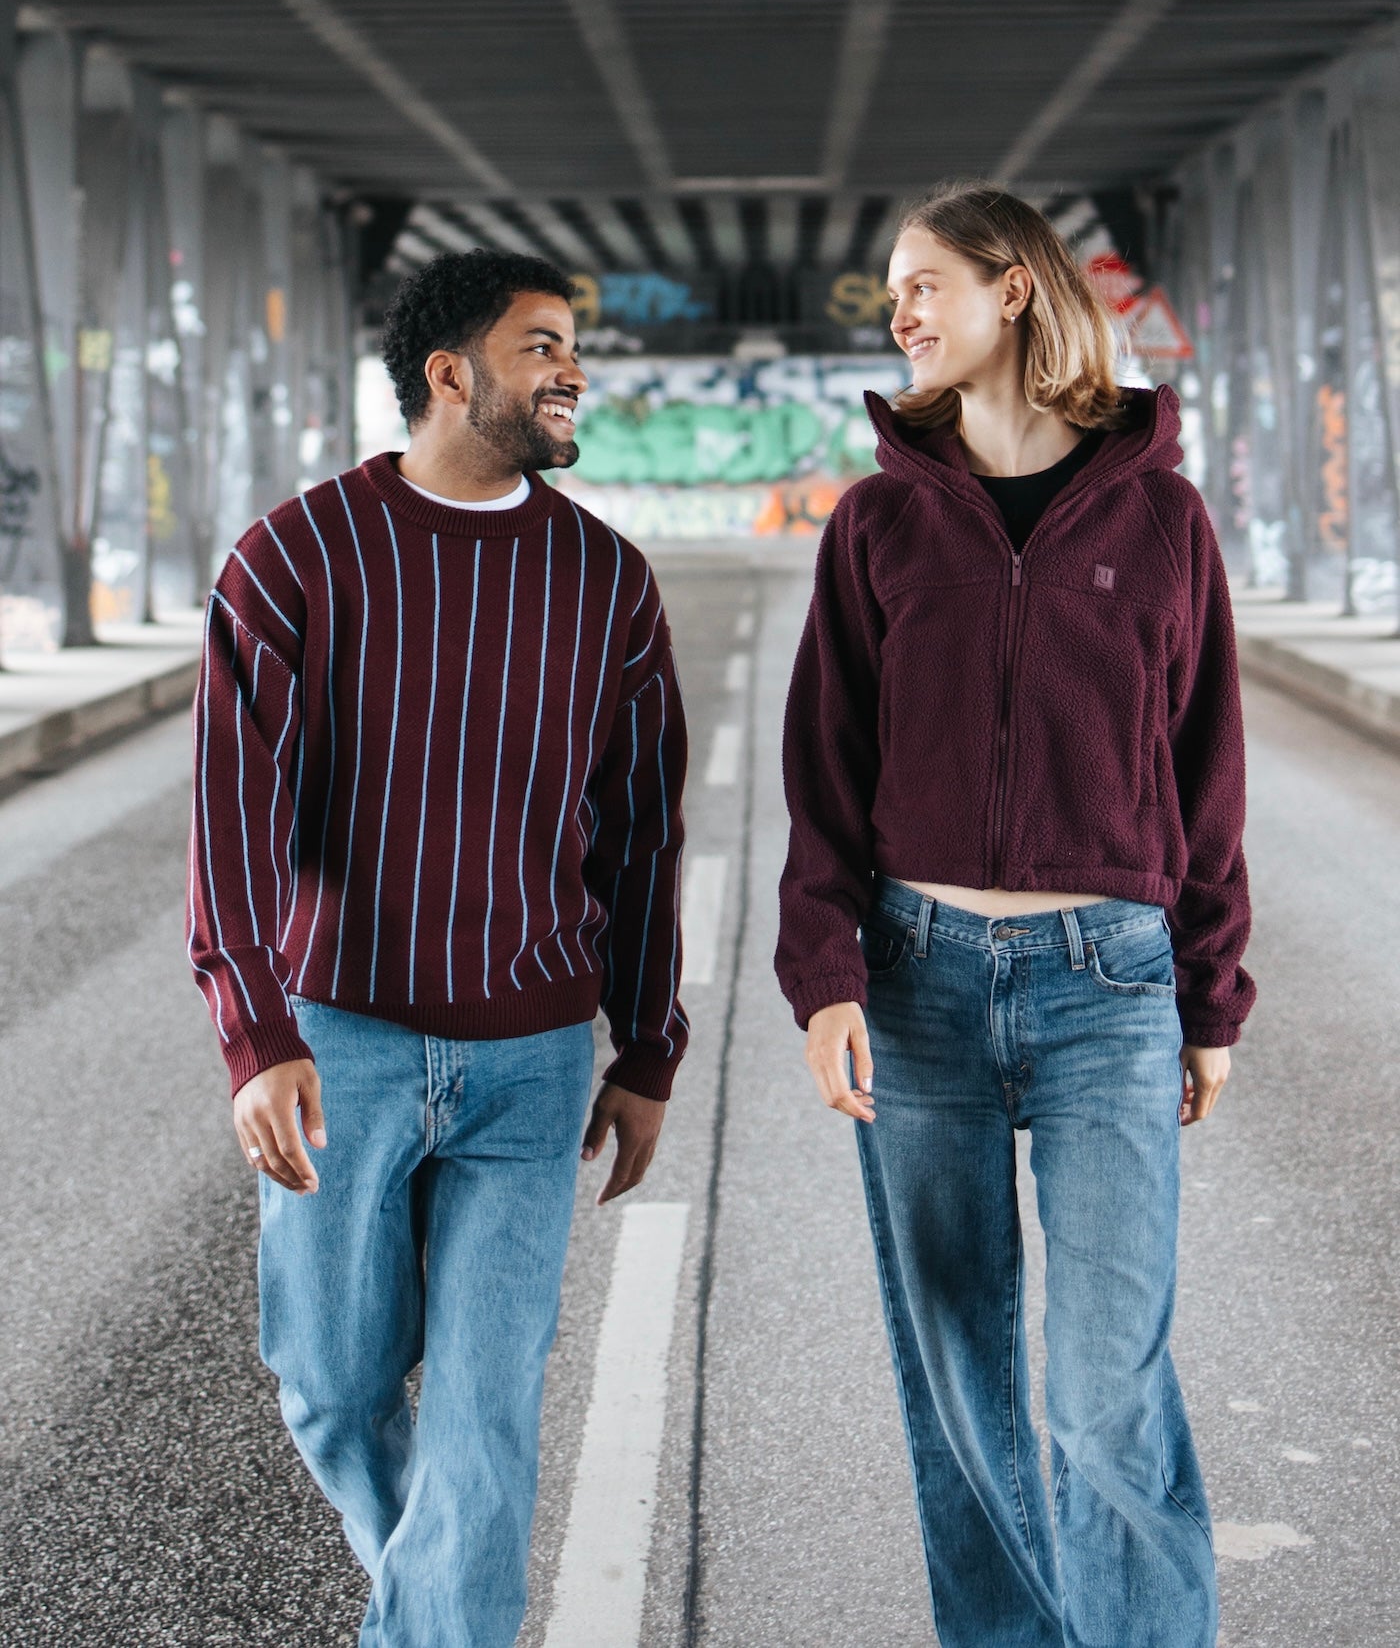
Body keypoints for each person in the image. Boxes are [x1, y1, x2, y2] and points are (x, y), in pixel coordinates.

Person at [188, 249, 687, 1647]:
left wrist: (648, 1045)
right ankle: (440, 1594)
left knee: (485, 1420)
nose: (572, 370)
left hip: (531, 1059)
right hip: (338, 1040)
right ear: (449, 374)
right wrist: (257, 1032)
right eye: (541, 346)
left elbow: (644, 833)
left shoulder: (607, 582)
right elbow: (230, 813)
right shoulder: (292, 558)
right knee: (335, 1387)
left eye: (573, 346)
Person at [776, 184, 1251, 1648]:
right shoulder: (874, 525)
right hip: (917, 978)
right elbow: (827, 769)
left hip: (1106, 982)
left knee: (1105, 1388)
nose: (900, 314)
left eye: (925, 285)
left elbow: (1207, 767)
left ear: (1018, 294)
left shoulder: (1162, 520)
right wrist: (826, 973)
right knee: (959, 1385)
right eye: (893, 295)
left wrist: (1210, 996)